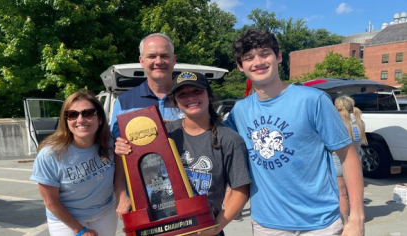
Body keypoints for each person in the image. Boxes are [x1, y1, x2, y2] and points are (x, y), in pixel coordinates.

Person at [224, 28, 365, 235]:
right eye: (248, 58)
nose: (258, 62)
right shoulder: (240, 111)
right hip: (267, 225)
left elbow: (348, 156)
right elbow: (216, 146)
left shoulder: (312, 100)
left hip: (319, 224)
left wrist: (357, 218)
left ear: (278, 56)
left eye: (265, 54)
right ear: (240, 66)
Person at [115, 71, 252, 236]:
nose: (190, 98)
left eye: (197, 91)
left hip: (205, 228)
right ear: (175, 101)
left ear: (209, 95)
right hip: (164, 228)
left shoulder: (229, 139)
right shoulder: (164, 133)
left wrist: (217, 226)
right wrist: (124, 148)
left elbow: (240, 189)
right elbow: (138, 167)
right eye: (182, 94)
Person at [30, 91, 122, 236]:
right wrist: (80, 230)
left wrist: (122, 198)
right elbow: (50, 202)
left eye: (88, 113)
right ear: (66, 120)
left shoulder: (110, 143)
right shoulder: (49, 155)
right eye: (73, 114)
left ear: (100, 119)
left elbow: (120, 172)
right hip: (66, 219)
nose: (80, 120)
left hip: (105, 212)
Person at [110, 33, 181, 217]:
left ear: (173, 60)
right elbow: (118, 154)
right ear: (142, 60)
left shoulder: (189, 98)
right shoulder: (124, 102)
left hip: (189, 192)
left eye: (164, 56)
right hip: (144, 199)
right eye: (152, 56)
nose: (159, 61)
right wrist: (121, 194)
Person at [333, 95, 368, 225]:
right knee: (353, 194)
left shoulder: (337, 121)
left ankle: (345, 221)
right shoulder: (359, 121)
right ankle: (357, 218)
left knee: (341, 194)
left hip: (338, 160)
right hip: (357, 159)